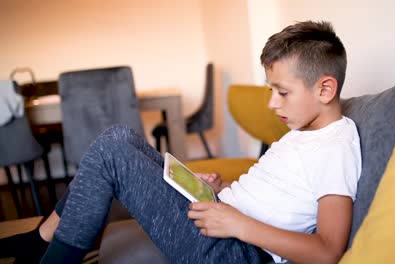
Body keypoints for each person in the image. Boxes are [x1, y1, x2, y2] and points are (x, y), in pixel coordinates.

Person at [0, 20, 361, 264]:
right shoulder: (303, 132)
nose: (272, 103)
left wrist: (237, 225)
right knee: (121, 137)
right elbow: (279, 195)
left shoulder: (335, 147)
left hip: (235, 251)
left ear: (325, 88)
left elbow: (328, 251)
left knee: (113, 151)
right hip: (222, 218)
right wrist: (221, 191)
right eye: (272, 91)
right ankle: (41, 240)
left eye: (282, 92)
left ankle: (45, 251)